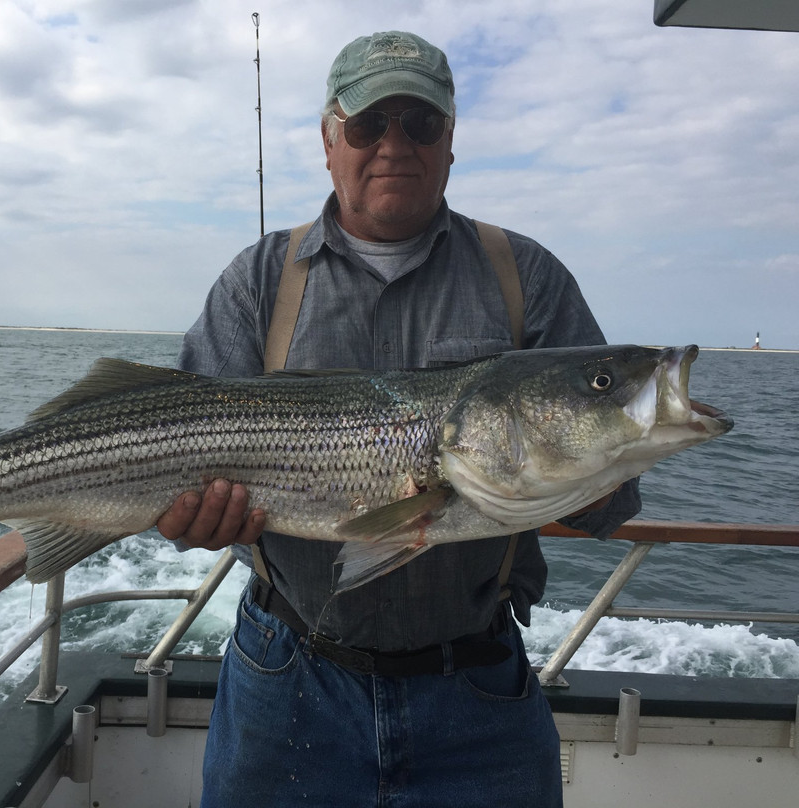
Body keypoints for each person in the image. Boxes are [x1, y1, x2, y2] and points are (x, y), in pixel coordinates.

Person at [157, 30, 640, 807]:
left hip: (477, 693)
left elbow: (613, 505)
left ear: (450, 142)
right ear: (329, 141)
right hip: (287, 680)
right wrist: (189, 520)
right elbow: (167, 462)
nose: (394, 144)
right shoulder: (257, 281)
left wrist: (591, 469)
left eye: (420, 122)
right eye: (367, 124)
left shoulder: (527, 277)